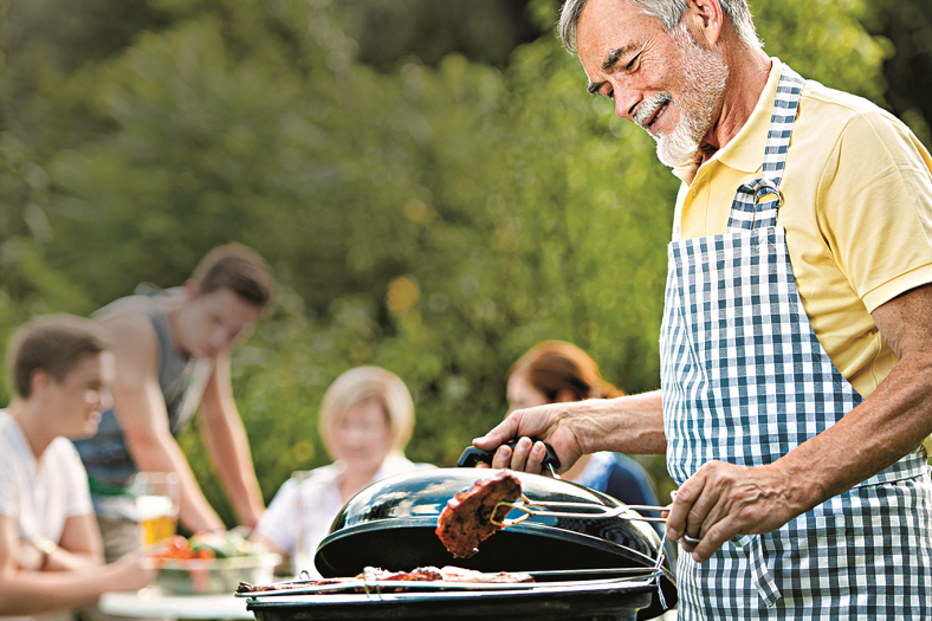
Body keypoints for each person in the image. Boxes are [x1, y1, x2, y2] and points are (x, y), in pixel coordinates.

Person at [473, 0, 932, 618]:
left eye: (630, 65)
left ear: (704, 15)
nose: (622, 104)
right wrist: (582, 425)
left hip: (860, 586)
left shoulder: (850, 143)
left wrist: (788, 481)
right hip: (720, 600)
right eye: (605, 88)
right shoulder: (694, 179)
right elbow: (733, 403)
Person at [72, 243, 274, 563]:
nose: (221, 340)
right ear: (191, 293)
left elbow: (219, 423)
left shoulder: (210, 344)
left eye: (236, 332)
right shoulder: (134, 329)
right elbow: (148, 441)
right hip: (60, 498)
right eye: (216, 320)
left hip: (119, 502)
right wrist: (217, 537)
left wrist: (256, 520)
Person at [0, 315, 154, 620]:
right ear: (42, 383)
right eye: (93, 386)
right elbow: (2, 593)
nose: (105, 402)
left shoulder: (62, 453)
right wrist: (115, 579)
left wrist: (39, 553)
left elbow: (89, 562)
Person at [251, 366, 434, 578]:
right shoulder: (302, 489)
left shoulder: (421, 487)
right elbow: (257, 560)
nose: (353, 438)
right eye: (345, 424)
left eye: (367, 426)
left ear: (392, 429)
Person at [507, 341, 661, 509]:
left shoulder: (623, 481)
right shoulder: (517, 485)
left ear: (562, 402)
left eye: (521, 403)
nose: (511, 416)